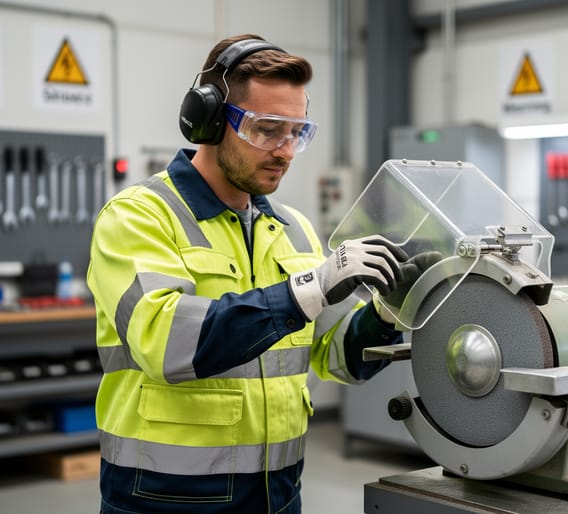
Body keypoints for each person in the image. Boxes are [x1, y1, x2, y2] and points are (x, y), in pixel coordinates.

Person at [87, 33, 413, 514]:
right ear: (212, 121)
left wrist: (392, 308)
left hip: (276, 495)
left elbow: (339, 356)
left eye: (297, 132)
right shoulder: (138, 217)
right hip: (164, 498)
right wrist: (309, 290)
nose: (284, 149)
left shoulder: (294, 229)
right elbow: (169, 344)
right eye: (267, 129)